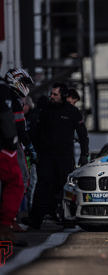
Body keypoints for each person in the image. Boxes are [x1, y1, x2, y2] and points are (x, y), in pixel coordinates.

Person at [27, 82, 89, 228]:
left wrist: (84, 154)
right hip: (46, 156)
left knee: (66, 188)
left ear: (63, 95)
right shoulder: (45, 110)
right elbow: (34, 132)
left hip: (65, 157)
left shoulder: (73, 112)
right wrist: (33, 150)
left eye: (55, 94)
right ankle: (35, 220)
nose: (52, 96)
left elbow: (82, 134)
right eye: (51, 94)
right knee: (43, 186)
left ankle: (68, 219)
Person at [5, 68, 37, 232]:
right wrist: (30, 147)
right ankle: (10, 220)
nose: (26, 87)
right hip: (12, 145)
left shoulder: (6, 95)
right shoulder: (14, 100)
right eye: (24, 83)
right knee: (20, 180)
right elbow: (20, 128)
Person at [0, 66, 26, 245]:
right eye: (22, 82)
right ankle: (6, 224)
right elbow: (14, 124)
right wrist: (13, 141)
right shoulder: (8, 95)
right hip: (6, 145)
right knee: (17, 181)